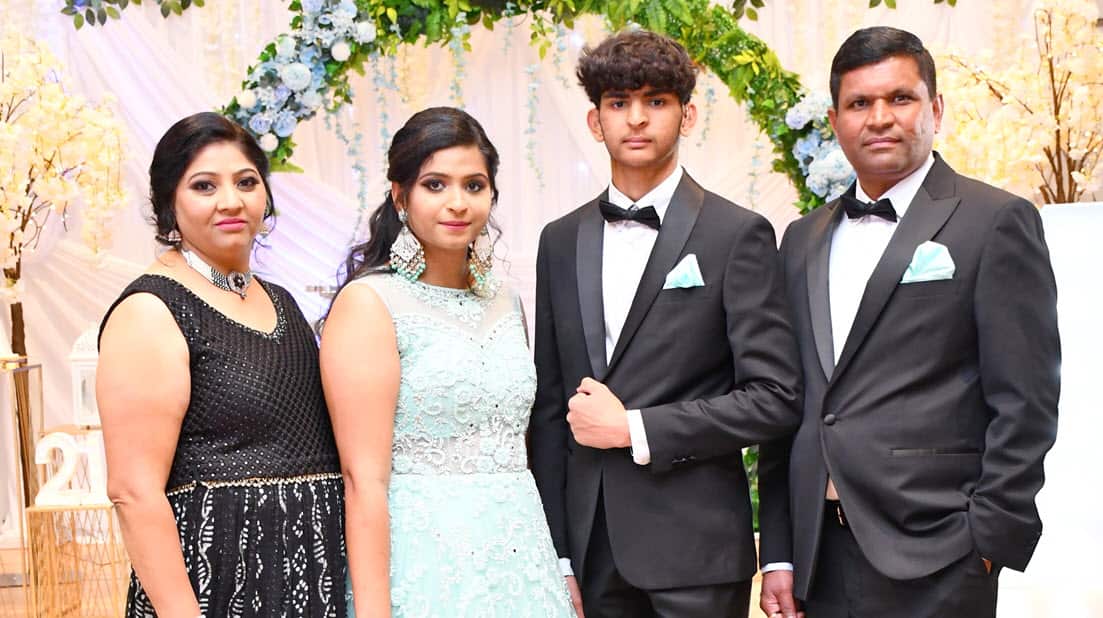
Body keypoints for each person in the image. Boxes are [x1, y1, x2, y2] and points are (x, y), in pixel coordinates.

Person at [758, 26, 1061, 618]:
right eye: (859, 103)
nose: (880, 118)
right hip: (819, 553)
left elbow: (1026, 399)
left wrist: (988, 538)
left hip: (940, 551)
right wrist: (781, 552)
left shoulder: (995, 221)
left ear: (936, 108)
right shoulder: (800, 239)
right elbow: (789, 400)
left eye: (900, 98)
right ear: (837, 119)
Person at [529, 30, 802, 618]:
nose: (637, 119)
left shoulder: (737, 234)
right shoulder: (560, 240)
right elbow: (552, 407)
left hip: (696, 553)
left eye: (656, 101)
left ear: (688, 114)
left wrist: (636, 428)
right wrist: (559, 556)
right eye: (618, 103)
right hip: (591, 548)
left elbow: (775, 399)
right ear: (595, 121)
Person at [320, 106, 573, 617]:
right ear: (400, 196)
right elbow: (362, 479)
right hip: (425, 565)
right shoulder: (371, 304)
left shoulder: (508, 300)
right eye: (435, 185)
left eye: (474, 186)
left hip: (522, 559)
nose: (457, 203)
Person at [97, 112, 346, 616]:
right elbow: (133, 491)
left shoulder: (283, 302)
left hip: (310, 575)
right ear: (169, 203)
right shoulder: (152, 308)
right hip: (214, 580)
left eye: (247, 182)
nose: (231, 201)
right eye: (204, 185)